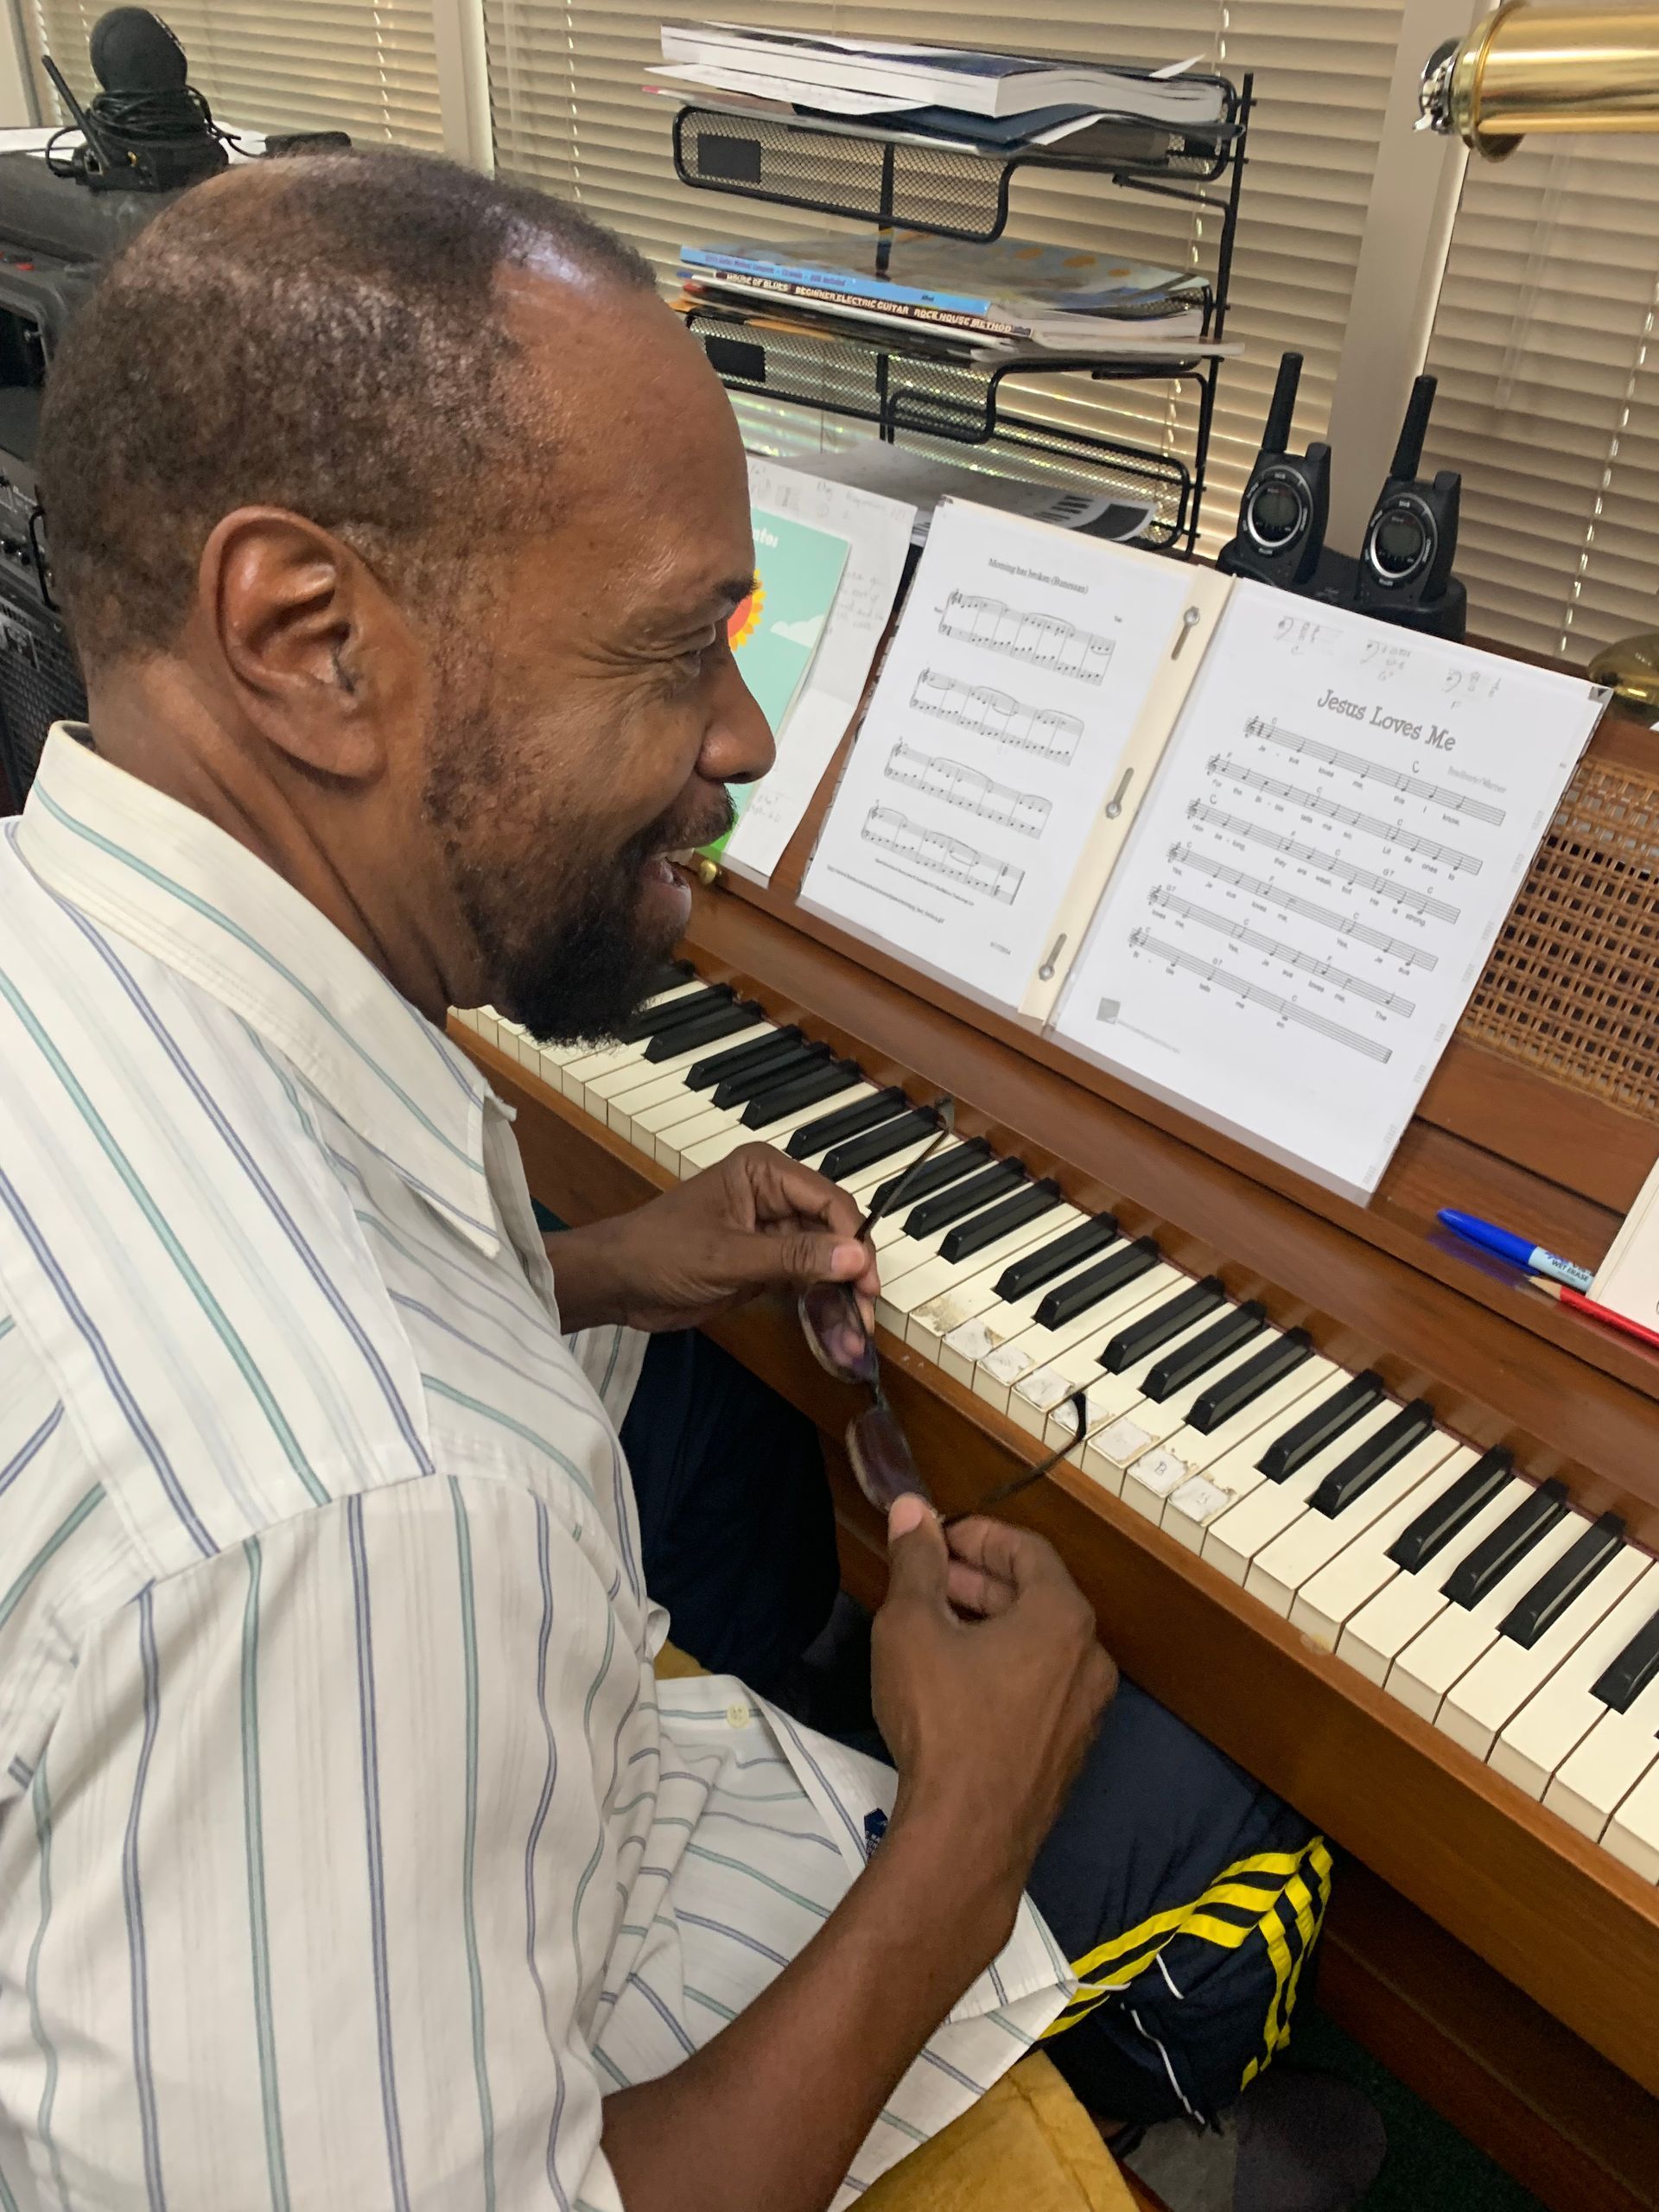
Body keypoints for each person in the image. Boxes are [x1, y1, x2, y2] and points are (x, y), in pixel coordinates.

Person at [0, 150, 1382, 2212]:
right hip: (560, 2005)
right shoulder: (353, 1526)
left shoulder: (73, 947)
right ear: (307, 637)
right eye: (675, 651)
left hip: (461, 1877)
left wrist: (590, 1267)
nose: (746, 737)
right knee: (1175, 1811)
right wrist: (961, 1830)